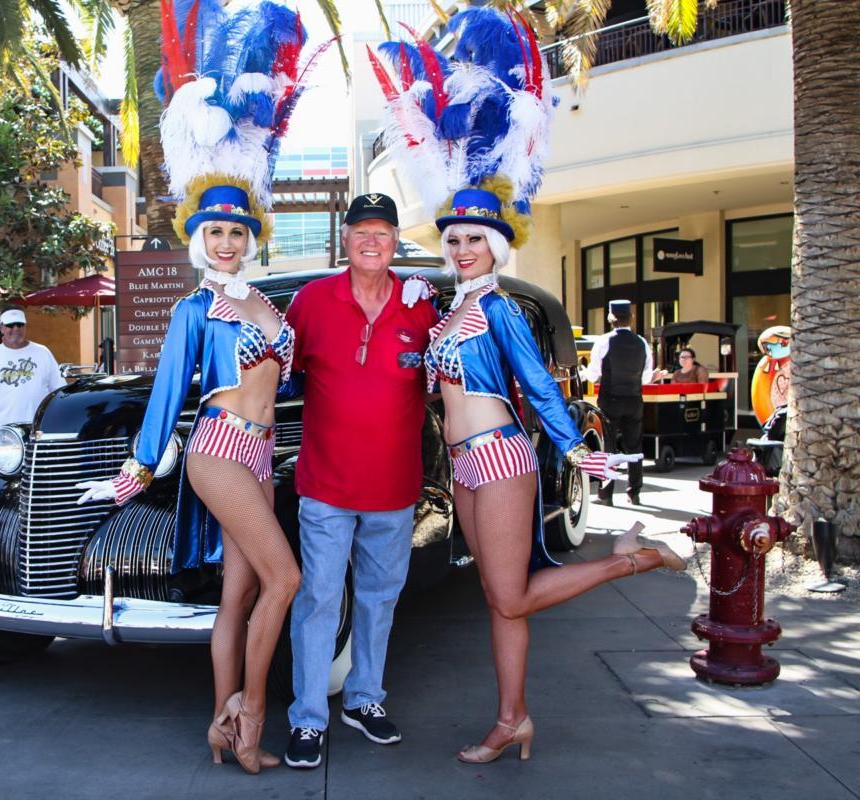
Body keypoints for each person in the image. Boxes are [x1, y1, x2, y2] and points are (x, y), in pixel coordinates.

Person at [371, 5, 686, 765]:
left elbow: (540, 385)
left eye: (474, 239)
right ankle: (512, 718)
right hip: (462, 466)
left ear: (495, 244)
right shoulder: (447, 311)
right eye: (453, 238)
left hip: (502, 459)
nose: (462, 248)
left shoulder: (502, 309)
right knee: (497, 598)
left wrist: (574, 448)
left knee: (511, 594)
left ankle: (636, 559)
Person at [72, 0, 320, 775]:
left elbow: (297, 374)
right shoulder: (193, 309)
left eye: (237, 231)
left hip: (261, 453)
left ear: (252, 235)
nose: (226, 241)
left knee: (239, 598)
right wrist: (137, 468)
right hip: (217, 450)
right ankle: (250, 721)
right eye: (214, 231)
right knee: (287, 577)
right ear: (197, 236)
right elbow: (167, 396)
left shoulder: (269, 306)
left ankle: (222, 725)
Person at [282, 193, 439, 769]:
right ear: (344, 239)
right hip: (326, 486)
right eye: (361, 231)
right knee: (319, 600)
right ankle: (308, 718)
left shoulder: (421, 307)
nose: (371, 241)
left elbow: (446, 378)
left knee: (379, 599)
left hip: (394, 489)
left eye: (382, 232)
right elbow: (280, 374)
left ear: (396, 242)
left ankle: (364, 698)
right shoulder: (312, 301)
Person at [586, 301, 654, 505]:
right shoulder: (642, 342)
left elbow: (593, 375)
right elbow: (646, 378)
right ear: (631, 318)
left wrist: (583, 373)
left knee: (608, 447)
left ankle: (606, 495)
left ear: (610, 318)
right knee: (635, 446)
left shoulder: (603, 341)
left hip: (610, 399)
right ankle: (634, 493)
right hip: (634, 399)